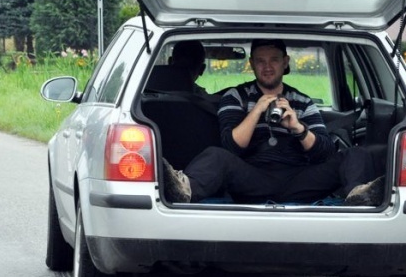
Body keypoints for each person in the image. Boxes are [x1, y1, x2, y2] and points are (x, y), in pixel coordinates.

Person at [163, 38, 384, 206]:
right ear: (252, 64)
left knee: (356, 153)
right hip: (252, 176)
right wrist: (257, 109)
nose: (267, 67)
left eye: (274, 60)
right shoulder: (235, 97)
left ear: (285, 62)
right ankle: (184, 190)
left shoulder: (303, 101)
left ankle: (358, 196)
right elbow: (231, 147)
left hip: (299, 179)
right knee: (215, 155)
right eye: (260, 61)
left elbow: (324, 153)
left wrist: (298, 128)